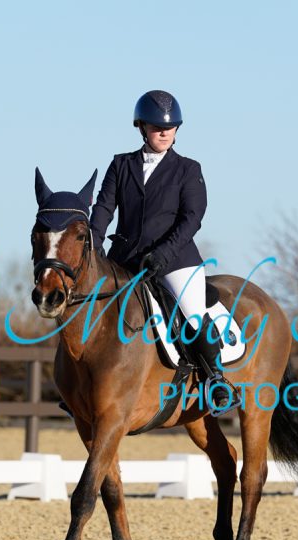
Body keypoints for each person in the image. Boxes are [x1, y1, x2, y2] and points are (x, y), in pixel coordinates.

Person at [90, 90, 238, 416]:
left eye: (170, 128)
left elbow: (192, 219)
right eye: (157, 127)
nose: (164, 133)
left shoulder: (187, 169)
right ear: (142, 127)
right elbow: (103, 208)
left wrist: (162, 254)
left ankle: (216, 379)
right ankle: (82, 385)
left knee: (192, 312)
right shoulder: (121, 165)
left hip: (175, 260)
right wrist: (93, 245)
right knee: (92, 309)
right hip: (124, 259)